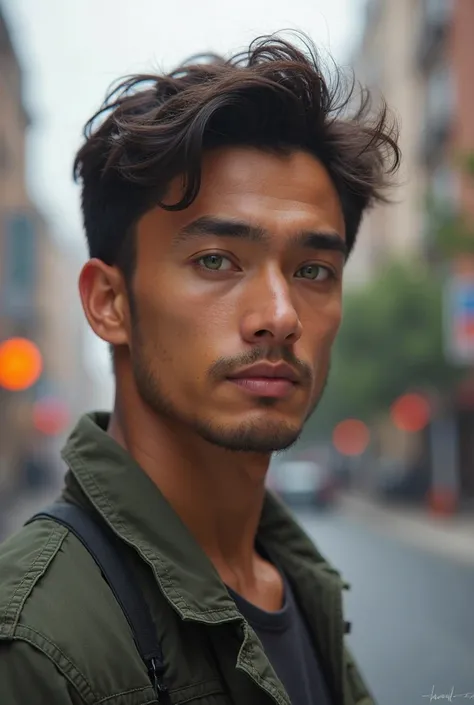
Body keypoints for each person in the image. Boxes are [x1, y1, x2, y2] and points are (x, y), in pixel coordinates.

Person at [0, 34, 399, 705]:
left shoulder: (301, 587)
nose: (279, 314)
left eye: (312, 270)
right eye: (217, 260)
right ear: (109, 302)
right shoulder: (37, 645)